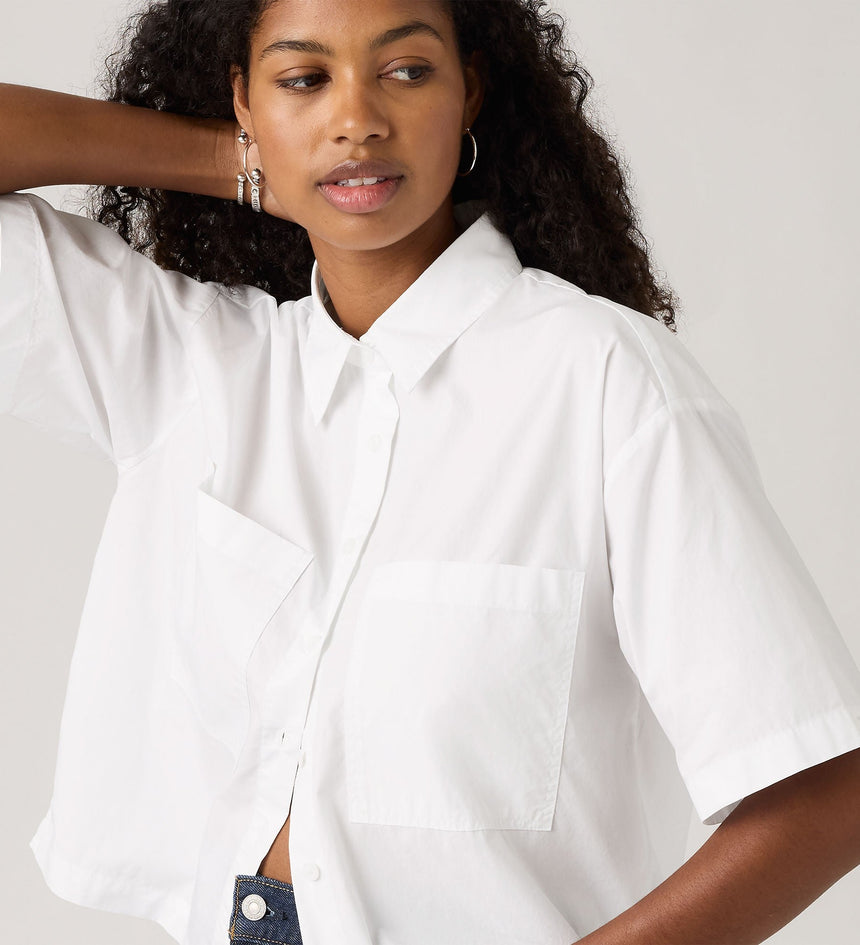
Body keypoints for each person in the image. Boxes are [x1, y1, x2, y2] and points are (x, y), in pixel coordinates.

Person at [1, 0, 859, 943]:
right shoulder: (192, 367)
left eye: (406, 71)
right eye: (304, 79)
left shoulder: (606, 382)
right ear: (243, 100)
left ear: (469, 91)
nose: (357, 119)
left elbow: (828, 789)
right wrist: (236, 160)